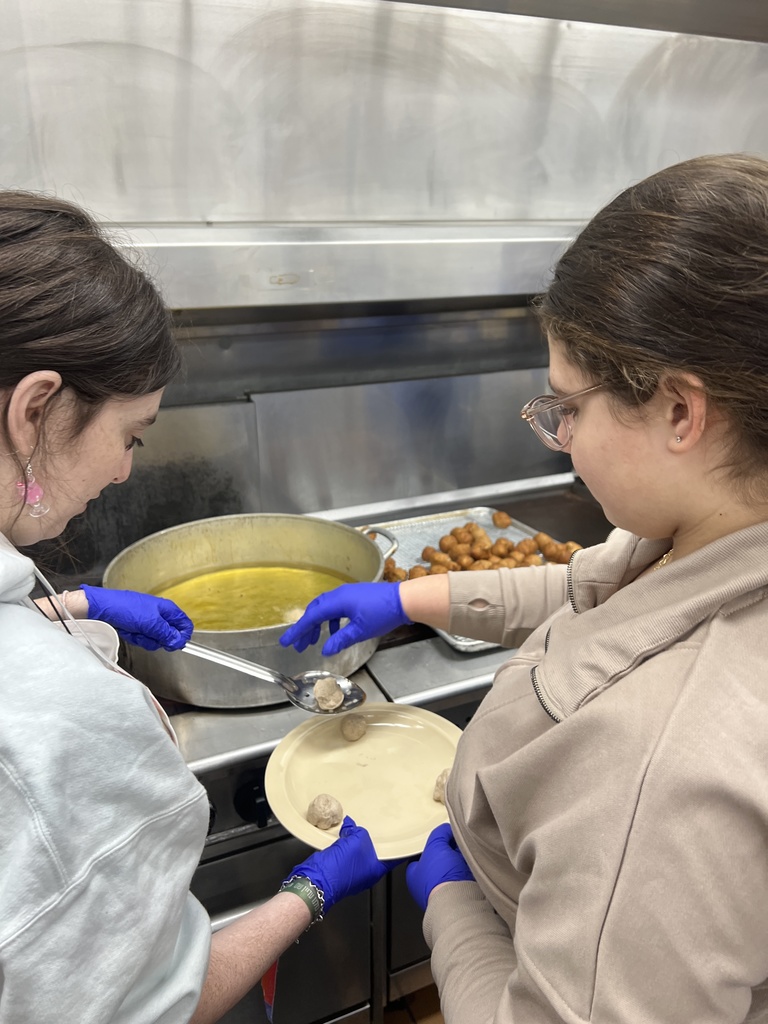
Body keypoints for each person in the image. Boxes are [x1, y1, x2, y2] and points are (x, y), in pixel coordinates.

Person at [280, 153, 768, 1023]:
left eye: (567, 407)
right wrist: (409, 600)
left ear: (681, 413)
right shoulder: (707, 535)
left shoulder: (657, 778)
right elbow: (599, 592)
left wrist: (450, 901)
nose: (564, 437)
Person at [0, 191, 395, 1024]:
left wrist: (70, 608)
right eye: (133, 436)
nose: (123, 473)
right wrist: (309, 892)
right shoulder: (64, 728)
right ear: (34, 410)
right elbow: (158, 1007)